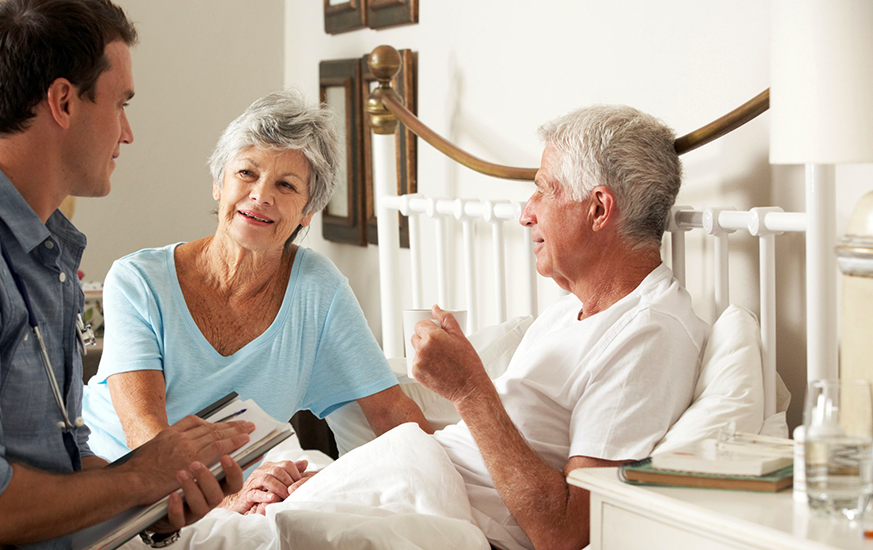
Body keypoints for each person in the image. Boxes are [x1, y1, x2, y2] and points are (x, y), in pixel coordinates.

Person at [0, 1, 253, 549]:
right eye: (121, 104)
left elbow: (59, 457)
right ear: (63, 101)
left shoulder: (45, 251)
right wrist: (139, 478)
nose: (126, 134)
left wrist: (156, 500)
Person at [80, 90, 431, 509]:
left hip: (240, 491)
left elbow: (392, 415)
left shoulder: (319, 289)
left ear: (307, 212)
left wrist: (452, 482)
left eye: (286, 185)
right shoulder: (138, 280)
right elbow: (147, 441)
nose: (261, 195)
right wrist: (228, 500)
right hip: (121, 487)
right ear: (218, 183)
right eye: (247, 173)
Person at [410, 105, 709, 550]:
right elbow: (469, 453)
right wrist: (335, 478)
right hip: (406, 490)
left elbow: (566, 532)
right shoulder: (563, 312)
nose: (525, 214)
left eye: (543, 191)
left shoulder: (649, 334)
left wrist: (470, 389)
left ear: (599, 208)